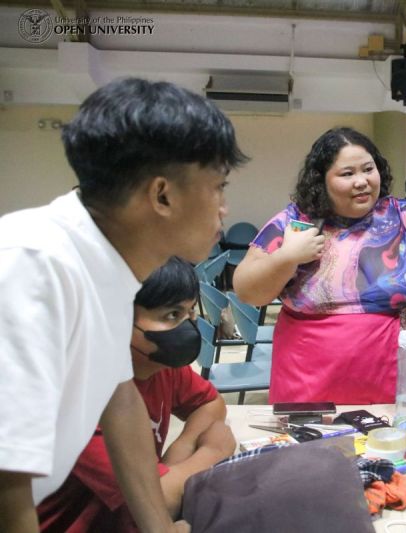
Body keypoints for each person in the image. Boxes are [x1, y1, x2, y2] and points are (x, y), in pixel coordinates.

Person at [0, 78, 247, 532]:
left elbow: (121, 405)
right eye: (217, 187)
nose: (224, 208)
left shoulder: (109, 268)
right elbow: (7, 483)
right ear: (162, 195)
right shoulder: (34, 266)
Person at [234, 128, 406, 404]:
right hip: (306, 379)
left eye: (368, 169)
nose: (362, 181)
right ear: (322, 180)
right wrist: (287, 257)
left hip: (389, 374)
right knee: (310, 446)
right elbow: (246, 289)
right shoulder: (296, 221)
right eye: (347, 174)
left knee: (387, 444)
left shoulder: (401, 215)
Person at [37, 257, 236, 531]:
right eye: (171, 315)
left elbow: (210, 403)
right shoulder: (80, 397)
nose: (186, 328)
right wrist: (212, 451)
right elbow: (159, 501)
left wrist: (182, 449)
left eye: (190, 313)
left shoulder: (159, 364)